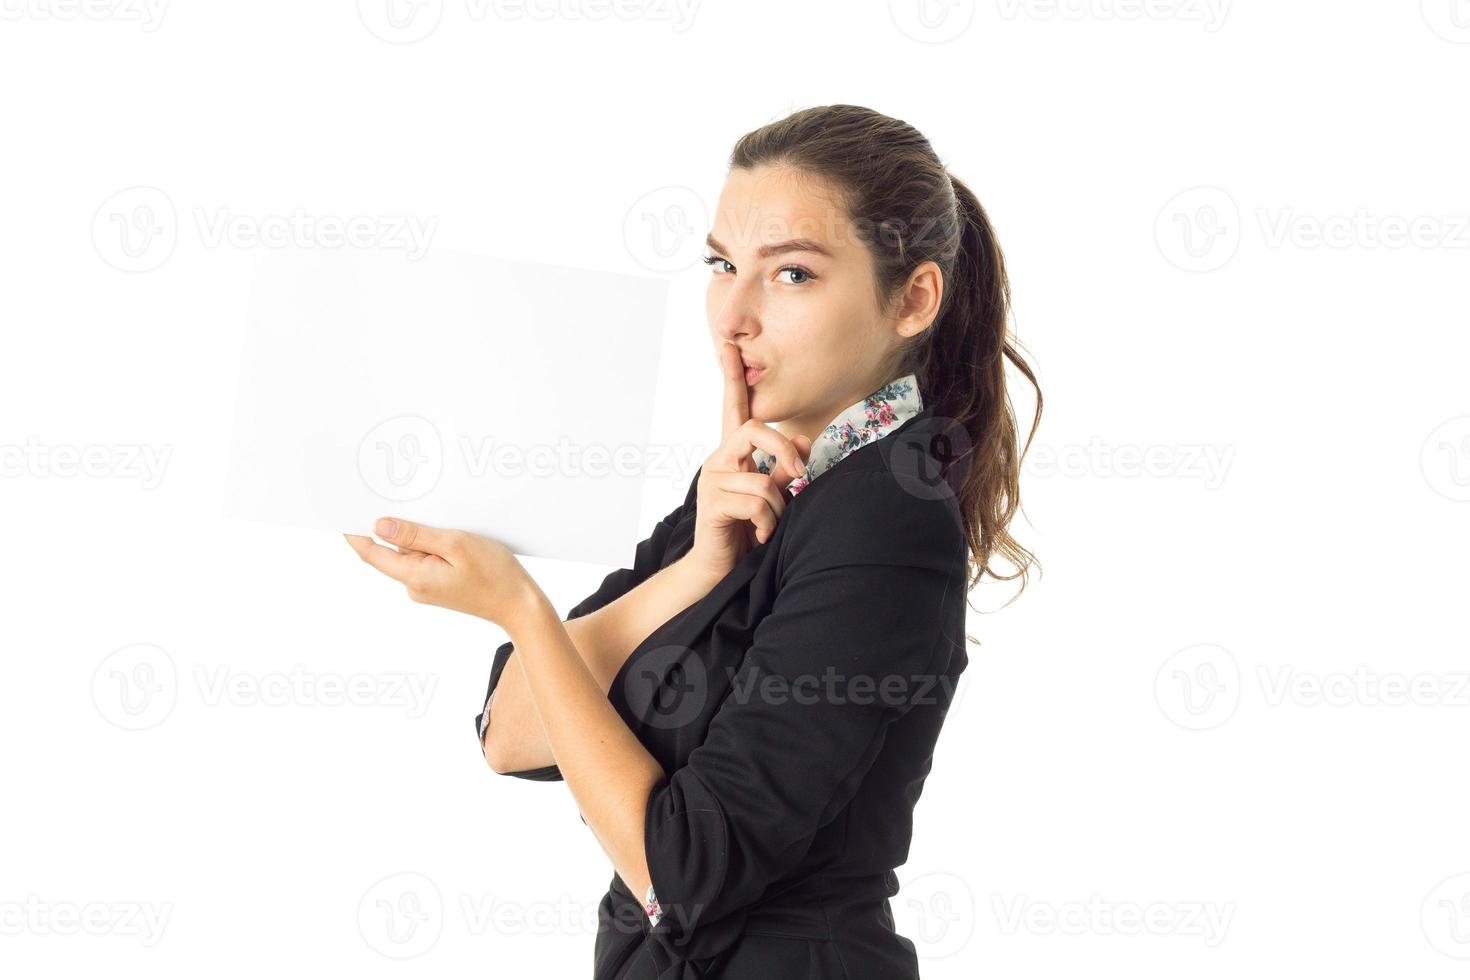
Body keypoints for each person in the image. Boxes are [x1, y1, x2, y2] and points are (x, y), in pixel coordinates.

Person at [346, 103, 1042, 979]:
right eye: (722, 265)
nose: (732, 316)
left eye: (791, 275)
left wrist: (521, 607)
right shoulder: (741, 484)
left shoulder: (886, 513)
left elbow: (679, 876)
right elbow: (510, 735)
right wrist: (697, 570)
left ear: (913, 299)